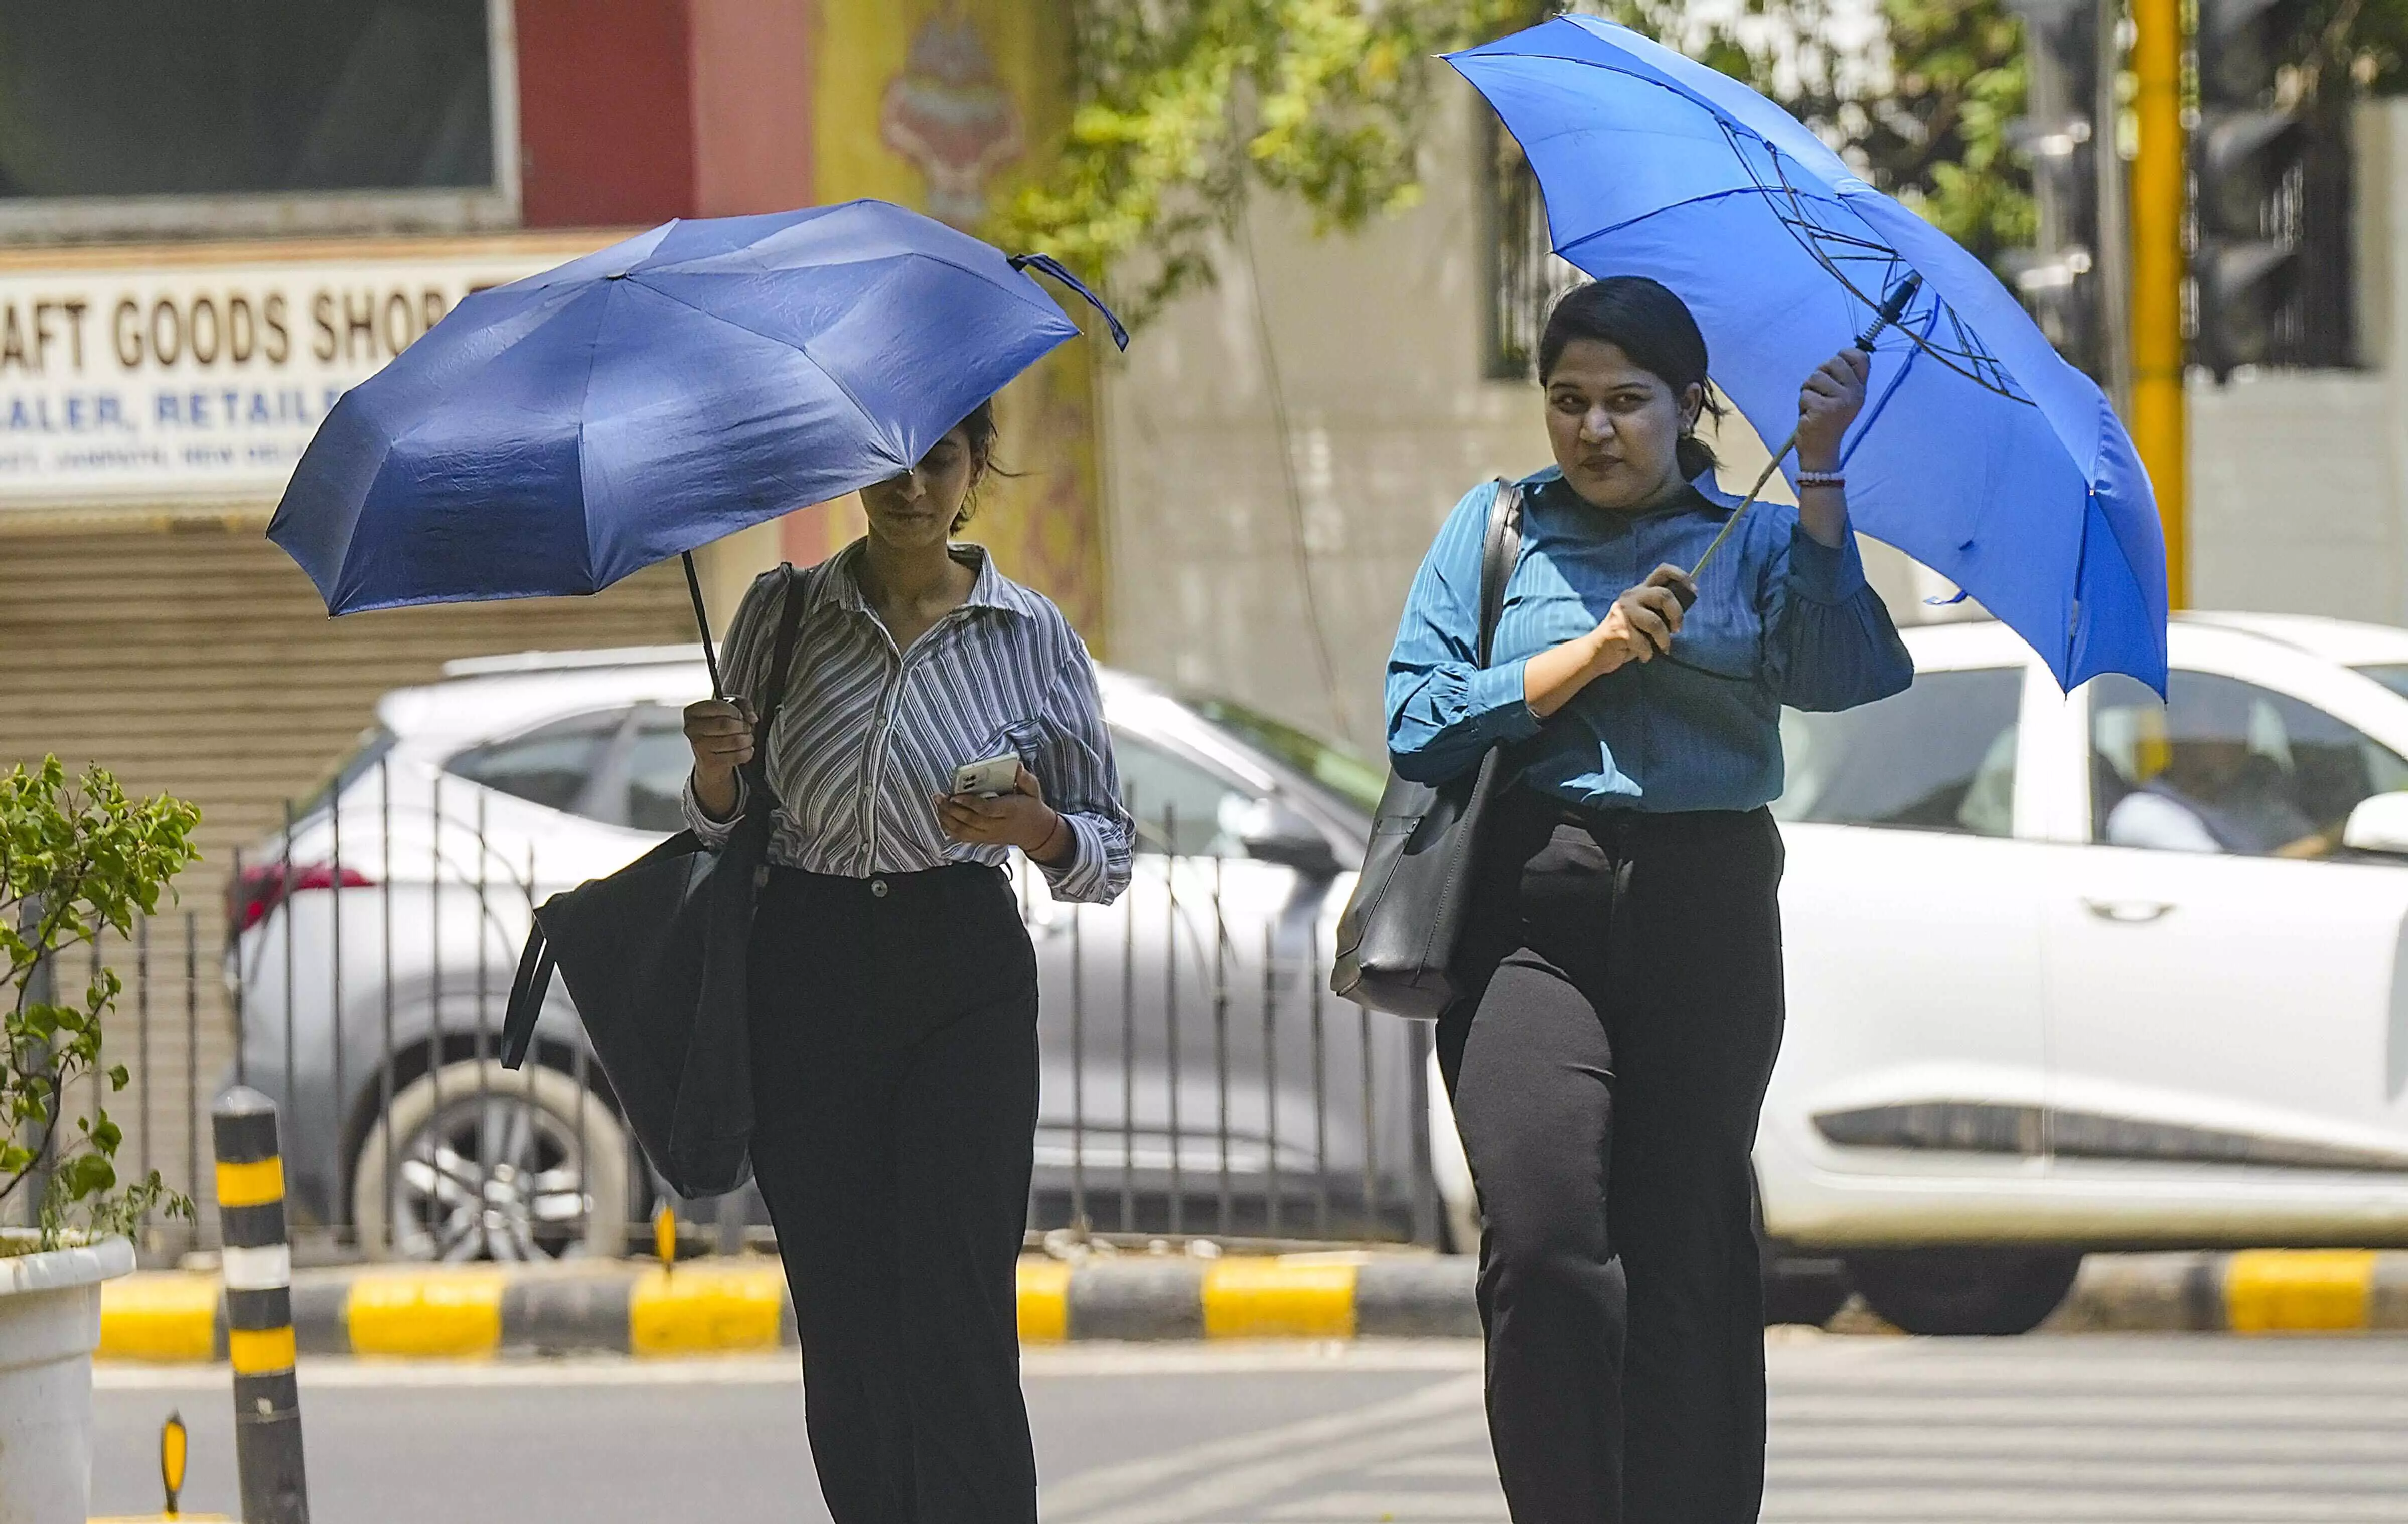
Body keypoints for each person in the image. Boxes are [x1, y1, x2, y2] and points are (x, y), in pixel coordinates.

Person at [1386, 276, 1913, 1523]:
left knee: (1687, 1253)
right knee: (1545, 1245)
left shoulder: (1764, 541)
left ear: (1690, 406)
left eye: (1627, 401)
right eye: (1568, 401)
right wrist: (1587, 654)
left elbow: (1848, 672)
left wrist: (1822, 476)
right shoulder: (1498, 527)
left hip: (1704, 909)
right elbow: (1417, 717)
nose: (1595, 429)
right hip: (1531, 916)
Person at [680, 398, 1132, 1524]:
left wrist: (1038, 830)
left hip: (961, 973)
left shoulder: (1030, 634)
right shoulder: (783, 611)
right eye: (885, 461)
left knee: (959, 1310)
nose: (911, 487)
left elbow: (1110, 849)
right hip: (807, 971)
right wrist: (715, 776)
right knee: (845, 1320)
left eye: (936, 459)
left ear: (976, 466)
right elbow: (721, 835)